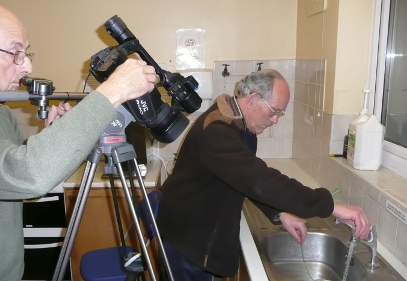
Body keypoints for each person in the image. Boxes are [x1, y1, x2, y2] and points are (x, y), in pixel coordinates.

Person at [0, 1, 157, 280]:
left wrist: (53, 136)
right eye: (15, 52)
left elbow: (18, 185)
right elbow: (27, 175)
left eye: (26, 53)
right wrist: (114, 90)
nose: (27, 65)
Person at [156, 69, 371, 281]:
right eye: (274, 111)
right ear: (252, 100)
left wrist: (280, 213)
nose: (275, 120)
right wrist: (330, 206)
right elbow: (260, 180)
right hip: (187, 243)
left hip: (197, 233)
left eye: (280, 113)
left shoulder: (237, 120)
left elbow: (244, 177)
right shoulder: (218, 131)